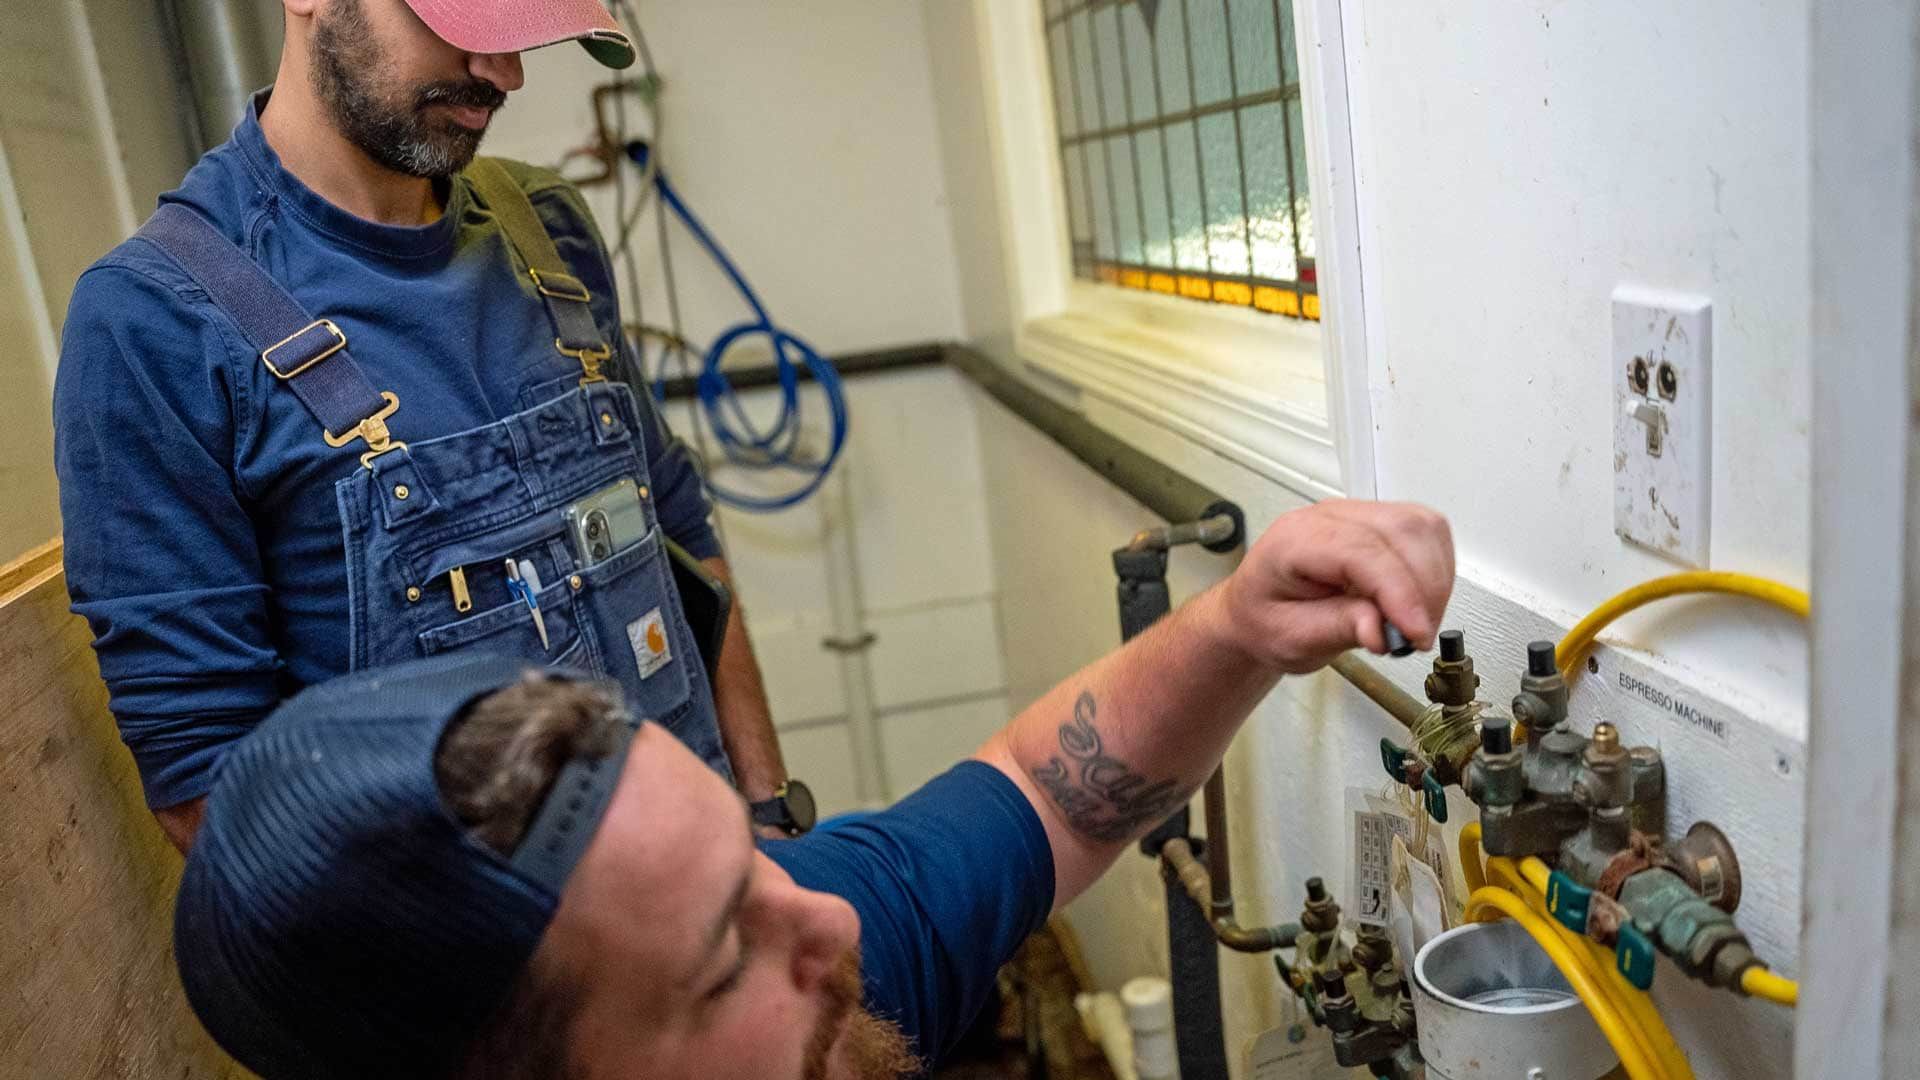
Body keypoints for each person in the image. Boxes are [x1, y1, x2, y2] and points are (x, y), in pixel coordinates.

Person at [175, 499, 1455, 1079]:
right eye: (724, 958)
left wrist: (1238, 624)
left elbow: (1041, 792)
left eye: (752, 867)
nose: (828, 921)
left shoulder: (801, 956)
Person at [52, 0, 805, 854]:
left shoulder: (547, 231)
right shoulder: (155, 323)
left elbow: (678, 525)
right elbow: (208, 787)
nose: (505, 75)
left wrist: (767, 813)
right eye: (469, 25)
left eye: (522, 36)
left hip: (720, 896)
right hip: (495, 973)